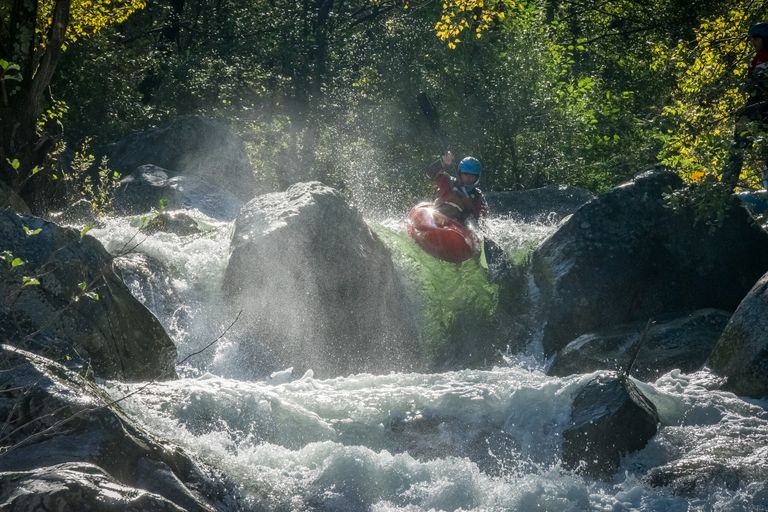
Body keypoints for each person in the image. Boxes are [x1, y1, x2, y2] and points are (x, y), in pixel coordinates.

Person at [723, 22, 768, 190]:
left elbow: (757, 86)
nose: (752, 42)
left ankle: (726, 187)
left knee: (738, 147)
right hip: (758, 108)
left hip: (759, 109)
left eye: (756, 39)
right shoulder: (758, 57)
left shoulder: (763, 57)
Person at [424, 150, 488, 225]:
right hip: (438, 215)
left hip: (458, 225)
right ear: (460, 173)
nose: (468, 178)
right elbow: (429, 174)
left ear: (477, 177)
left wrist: (469, 206)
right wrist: (442, 163)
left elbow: (482, 220)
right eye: (465, 174)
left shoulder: (478, 195)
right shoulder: (448, 181)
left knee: (458, 202)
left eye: (472, 175)